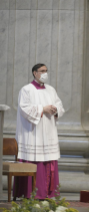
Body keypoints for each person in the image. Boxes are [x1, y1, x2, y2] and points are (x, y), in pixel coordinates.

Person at [14, 63, 65, 199]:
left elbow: (60, 105)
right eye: (42, 71)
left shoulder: (51, 90)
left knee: (48, 159)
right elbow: (24, 109)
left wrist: (55, 110)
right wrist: (43, 109)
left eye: (46, 71)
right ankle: (32, 194)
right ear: (35, 73)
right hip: (33, 133)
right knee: (35, 160)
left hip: (48, 131)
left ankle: (48, 193)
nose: (45, 73)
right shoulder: (26, 90)